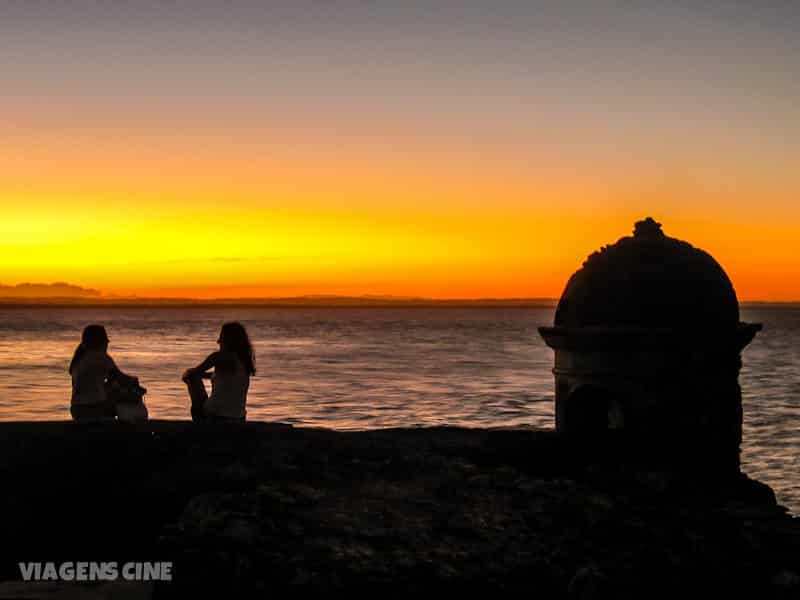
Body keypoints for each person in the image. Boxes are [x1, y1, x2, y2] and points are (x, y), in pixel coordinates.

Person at [69, 325, 146, 421]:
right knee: (127, 401)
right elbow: (121, 379)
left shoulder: (78, 360)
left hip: (76, 410)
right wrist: (134, 381)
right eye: (106, 342)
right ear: (101, 343)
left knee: (113, 393)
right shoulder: (101, 357)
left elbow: (90, 386)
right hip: (93, 408)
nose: (107, 346)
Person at [182, 322, 255, 422]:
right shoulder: (244, 362)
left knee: (192, 378)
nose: (218, 341)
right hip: (239, 418)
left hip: (216, 416)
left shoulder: (217, 357)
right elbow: (224, 378)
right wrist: (207, 376)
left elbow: (193, 372)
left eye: (221, 338)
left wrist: (188, 375)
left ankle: (199, 423)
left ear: (228, 341)